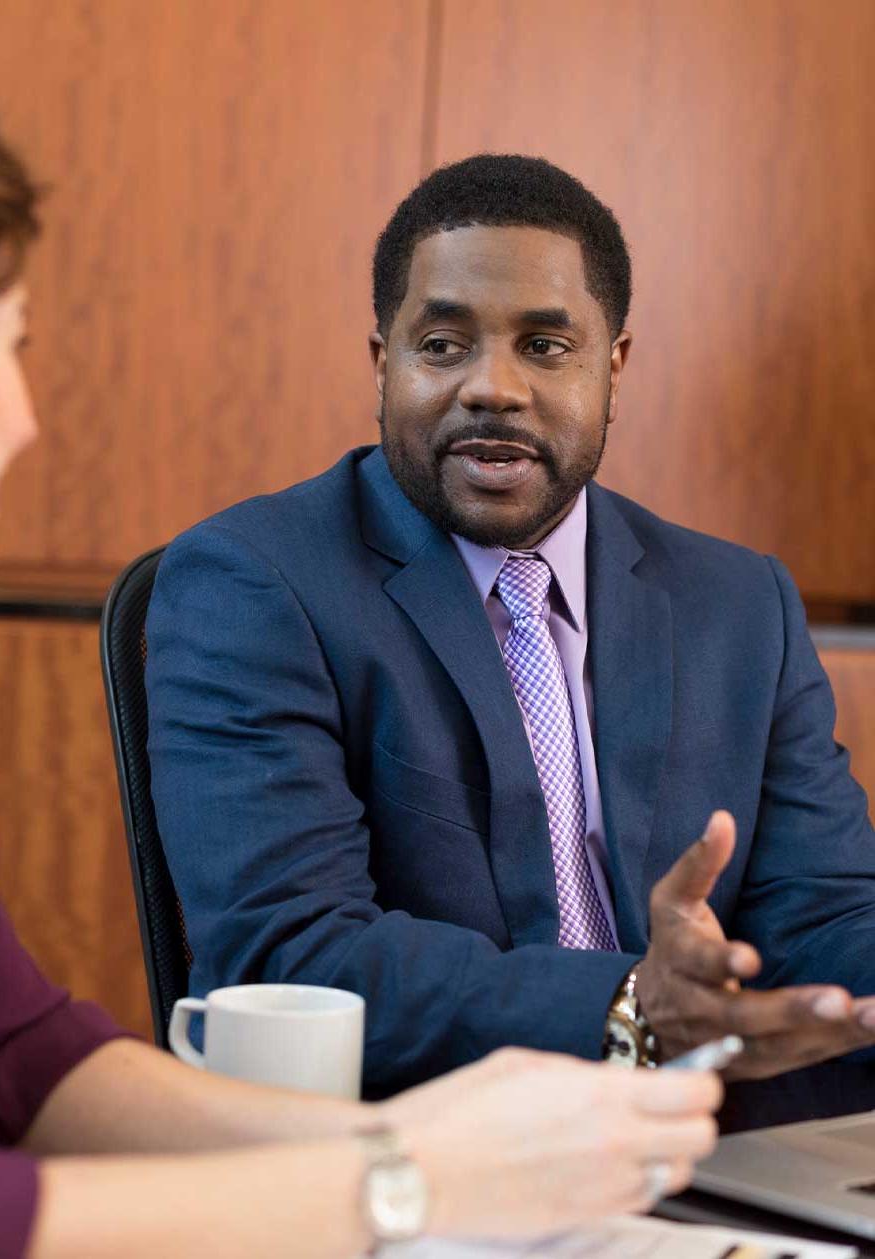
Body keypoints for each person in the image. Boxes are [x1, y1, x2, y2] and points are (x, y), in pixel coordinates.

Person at [0, 46, 723, 1259]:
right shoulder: (257, 578)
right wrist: (405, 1182)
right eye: (9, 347)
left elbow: (5, 1050)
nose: (27, 417)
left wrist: (435, 1144)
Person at [146, 153, 875, 1124]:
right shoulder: (254, 583)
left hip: (722, 1158)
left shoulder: (739, 602)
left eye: (542, 345)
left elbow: (821, 913)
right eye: (442, 344)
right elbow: (291, 953)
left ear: (612, 367)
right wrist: (631, 1007)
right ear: (381, 363)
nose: (491, 387)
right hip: (426, 1156)